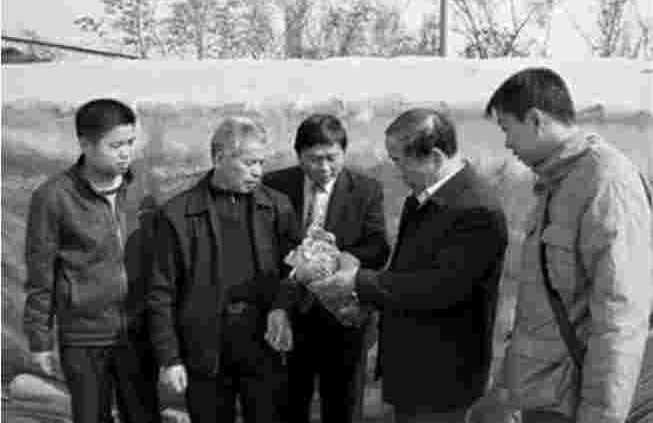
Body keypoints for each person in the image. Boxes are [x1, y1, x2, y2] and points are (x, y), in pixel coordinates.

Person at [309, 108, 508, 423]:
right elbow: (404, 273)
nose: (397, 172)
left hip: (442, 377)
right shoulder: (421, 198)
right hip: (412, 369)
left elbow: (440, 288)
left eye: (399, 161)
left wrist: (358, 282)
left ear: (435, 157)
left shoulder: (476, 210)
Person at [484, 67, 653, 423]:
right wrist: (509, 389)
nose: (507, 144)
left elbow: (620, 316)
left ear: (535, 119)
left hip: (578, 405)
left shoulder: (606, 183)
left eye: (506, 128)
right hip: (549, 397)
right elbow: (543, 305)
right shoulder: (558, 182)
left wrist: (601, 416)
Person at [147, 116, 299, 423]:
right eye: (249, 163)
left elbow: (294, 273)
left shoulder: (277, 206)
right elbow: (161, 291)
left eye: (261, 162)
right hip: (205, 346)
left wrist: (282, 307)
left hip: (263, 342)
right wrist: (169, 357)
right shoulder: (177, 214)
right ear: (218, 159)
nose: (258, 171)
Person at [23, 98, 161, 423]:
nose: (125, 153)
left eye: (130, 142)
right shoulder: (53, 197)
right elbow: (40, 273)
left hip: (137, 332)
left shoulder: (143, 185)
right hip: (84, 338)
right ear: (85, 144)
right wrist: (40, 340)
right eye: (115, 146)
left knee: (143, 415)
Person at [263, 114, 390, 423]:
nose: (324, 167)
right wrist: (294, 268)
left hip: (344, 317)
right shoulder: (275, 186)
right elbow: (263, 245)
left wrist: (335, 258)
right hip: (291, 314)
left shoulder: (366, 190)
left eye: (332, 158)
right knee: (288, 405)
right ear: (299, 155)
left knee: (343, 407)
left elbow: (378, 248)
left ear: (344, 152)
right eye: (314, 159)